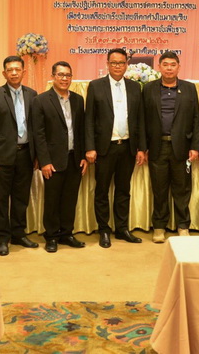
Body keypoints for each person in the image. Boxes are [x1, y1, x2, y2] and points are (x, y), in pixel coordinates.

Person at [85, 48, 147, 247]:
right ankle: (104, 230)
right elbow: (89, 119)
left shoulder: (135, 87)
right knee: (102, 190)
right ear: (107, 64)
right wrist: (90, 147)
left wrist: (141, 148)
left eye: (121, 63)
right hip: (105, 148)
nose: (118, 66)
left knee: (123, 190)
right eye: (114, 63)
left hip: (127, 147)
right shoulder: (96, 86)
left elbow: (140, 120)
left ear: (126, 65)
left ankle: (122, 229)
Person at [0, 56, 40, 256]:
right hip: (1, 156)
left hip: (26, 154)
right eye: (10, 70)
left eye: (17, 69)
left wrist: (37, 155)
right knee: (1, 199)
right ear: (4, 73)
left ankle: (18, 233)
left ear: (24, 72)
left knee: (21, 198)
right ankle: (2, 238)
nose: (14, 73)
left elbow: (36, 128)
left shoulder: (32, 95)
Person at [143, 51, 199, 243]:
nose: (169, 68)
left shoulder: (189, 88)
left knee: (182, 189)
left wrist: (195, 146)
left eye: (173, 64)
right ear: (159, 67)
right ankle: (159, 226)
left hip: (182, 147)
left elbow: (196, 118)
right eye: (165, 64)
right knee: (159, 190)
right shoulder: (149, 88)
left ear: (178, 67)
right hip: (157, 146)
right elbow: (142, 119)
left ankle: (183, 226)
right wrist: (143, 147)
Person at [32, 61, 88, 253]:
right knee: (52, 199)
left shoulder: (78, 100)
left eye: (68, 75)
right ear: (53, 76)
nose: (64, 79)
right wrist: (44, 161)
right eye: (61, 75)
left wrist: (83, 156)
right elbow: (39, 134)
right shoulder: (41, 100)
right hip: (53, 161)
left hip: (75, 158)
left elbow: (81, 131)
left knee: (70, 199)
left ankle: (66, 233)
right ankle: (51, 236)